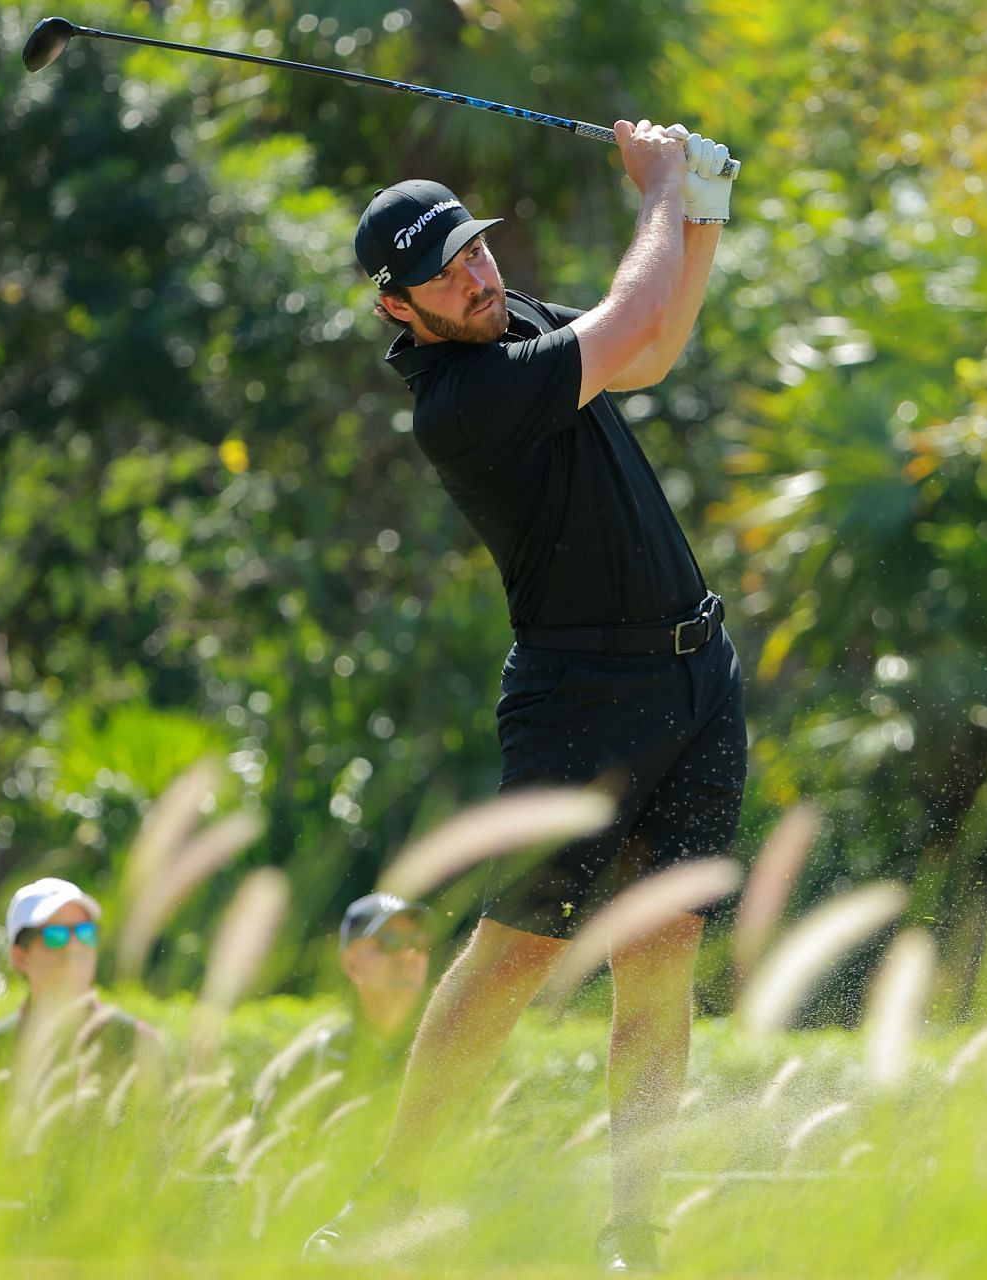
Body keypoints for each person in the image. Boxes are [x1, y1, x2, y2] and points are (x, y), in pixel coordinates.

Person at [307, 121, 744, 1270]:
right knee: (517, 951)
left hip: (698, 673)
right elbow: (635, 320)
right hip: (582, 694)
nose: (478, 272)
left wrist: (702, 208)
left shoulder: (517, 321)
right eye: (445, 272)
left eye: (475, 247)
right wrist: (658, 189)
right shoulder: (462, 400)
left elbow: (650, 350)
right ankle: (396, 1187)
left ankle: (633, 1234)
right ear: (400, 310)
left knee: (662, 951)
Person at [0, 877, 163, 1112]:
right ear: (20, 956)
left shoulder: (140, 1046)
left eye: (85, 932)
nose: (75, 946)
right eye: (55, 936)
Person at [312, 892, 433, 1076]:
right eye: (390, 941)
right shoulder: (322, 1059)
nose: (408, 954)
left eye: (418, 942)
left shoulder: (452, 1046)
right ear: (350, 962)